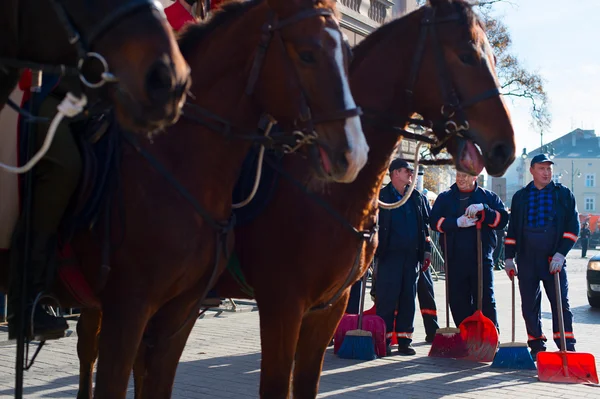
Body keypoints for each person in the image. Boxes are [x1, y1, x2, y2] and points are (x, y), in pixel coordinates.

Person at [504, 154, 579, 357]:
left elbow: (573, 227)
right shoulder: (520, 197)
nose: (546, 173)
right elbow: (512, 231)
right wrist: (509, 258)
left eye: (549, 169)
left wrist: (561, 254)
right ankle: (536, 345)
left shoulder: (563, 195)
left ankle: (566, 346)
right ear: (532, 171)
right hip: (527, 260)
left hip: (552, 260)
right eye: (541, 168)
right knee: (529, 304)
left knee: (561, 304)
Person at [429, 171, 508, 330]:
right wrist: (456, 222)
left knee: (485, 298)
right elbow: (433, 222)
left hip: (481, 257)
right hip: (454, 257)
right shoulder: (445, 198)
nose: (461, 179)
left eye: (465, 176)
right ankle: (466, 334)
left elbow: (502, 220)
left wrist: (484, 210)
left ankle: (491, 335)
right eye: (458, 175)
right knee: (458, 299)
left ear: (475, 177)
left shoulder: (489, 197)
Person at [375, 159, 432, 356]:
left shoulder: (416, 197)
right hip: (388, 256)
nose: (411, 174)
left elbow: (425, 227)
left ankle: (404, 341)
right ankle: (383, 341)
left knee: (408, 299)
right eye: (407, 171)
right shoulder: (381, 196)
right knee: (387, 299)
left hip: (411, 258)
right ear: (395, 173)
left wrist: (426, 250)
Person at [417, 264, 439, 343]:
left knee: (427, 296)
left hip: (422, 260)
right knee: (406, 299)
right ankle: (401, 337)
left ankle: (432, 332)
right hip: (406, 259)